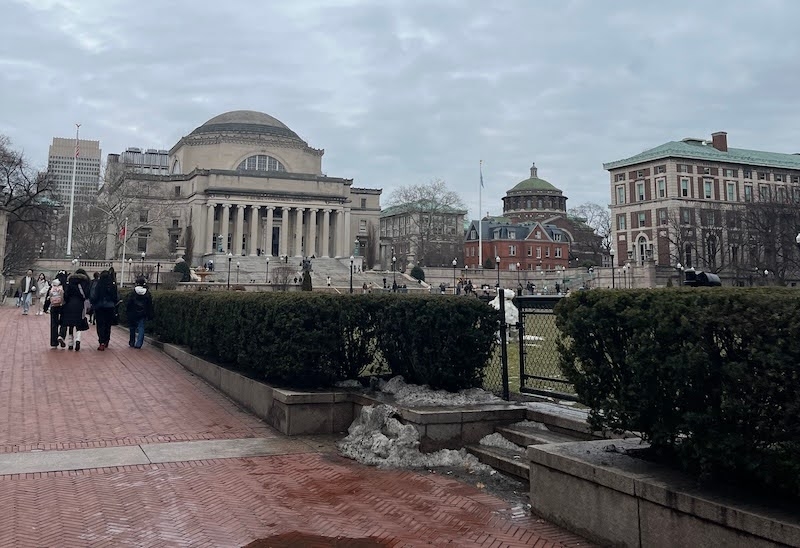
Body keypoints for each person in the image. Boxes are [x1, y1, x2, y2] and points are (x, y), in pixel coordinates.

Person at [58, 269, 90, 351]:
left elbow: (66, 294)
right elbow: (86, 294)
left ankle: (70, 343)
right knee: (79, 322)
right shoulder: (85, 282)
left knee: (70, 324)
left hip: (69, 304)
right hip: (80, 304)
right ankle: (78, 339)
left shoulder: (70, 281)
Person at [90, 270, 118, 351]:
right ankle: (106, 340)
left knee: (100, 324)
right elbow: (115, 296)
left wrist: (93, 303)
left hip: (99, 307)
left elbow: (93, 295)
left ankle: (101, 341)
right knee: (108, 325)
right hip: (110, 307)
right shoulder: (112, 284)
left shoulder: (98, 284)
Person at [126, 277, 154, 349]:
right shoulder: (147, 293)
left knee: (132, 328)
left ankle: (132, 342)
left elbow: (129, 303)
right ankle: (139, 343)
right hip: (143, 313)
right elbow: (149, 304)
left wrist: (127, 311)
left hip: (133, 312)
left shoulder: (133, 292)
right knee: (141, 327)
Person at [45, 271, 67, 348]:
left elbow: (48, 295)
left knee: (54, 324)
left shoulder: (53, 285)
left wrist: (45, 307)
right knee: (64, 322)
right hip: (63, 306)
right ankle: (61, 335)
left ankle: (54, 342)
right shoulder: (65, 285)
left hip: (54, 306)